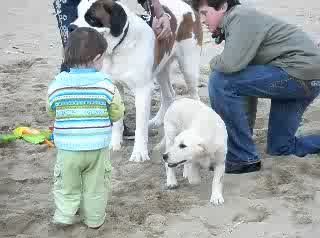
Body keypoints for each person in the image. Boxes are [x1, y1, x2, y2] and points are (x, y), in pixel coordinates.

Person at [191, 0, 320, 174]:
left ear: (222, 7)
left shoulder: (239, 16)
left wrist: (211, 63)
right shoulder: (239, 22)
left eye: (204, 13)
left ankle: (241, 158)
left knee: (220, 78)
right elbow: (245, 88)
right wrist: (246, 132)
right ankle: (243, 154)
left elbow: (229, 65)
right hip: (307, 80)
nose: (203, 20)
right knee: (280, 147)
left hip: (297, 74)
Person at [53, 0, 172, 139]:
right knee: (77, 56)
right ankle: (70, 121)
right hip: (71, 3)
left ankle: (109, 124)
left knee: (102, 57)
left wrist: (159, 14)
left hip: (103, 10)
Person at [47, 27, 125, 228]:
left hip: (67, 149)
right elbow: (117, 112)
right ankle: (95, 220)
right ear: (97, 57)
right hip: (97, 149)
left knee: (66, 184)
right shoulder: (106, 84)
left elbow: (51, 108)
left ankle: (64, 216)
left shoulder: (58, 84)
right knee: (96, 186)